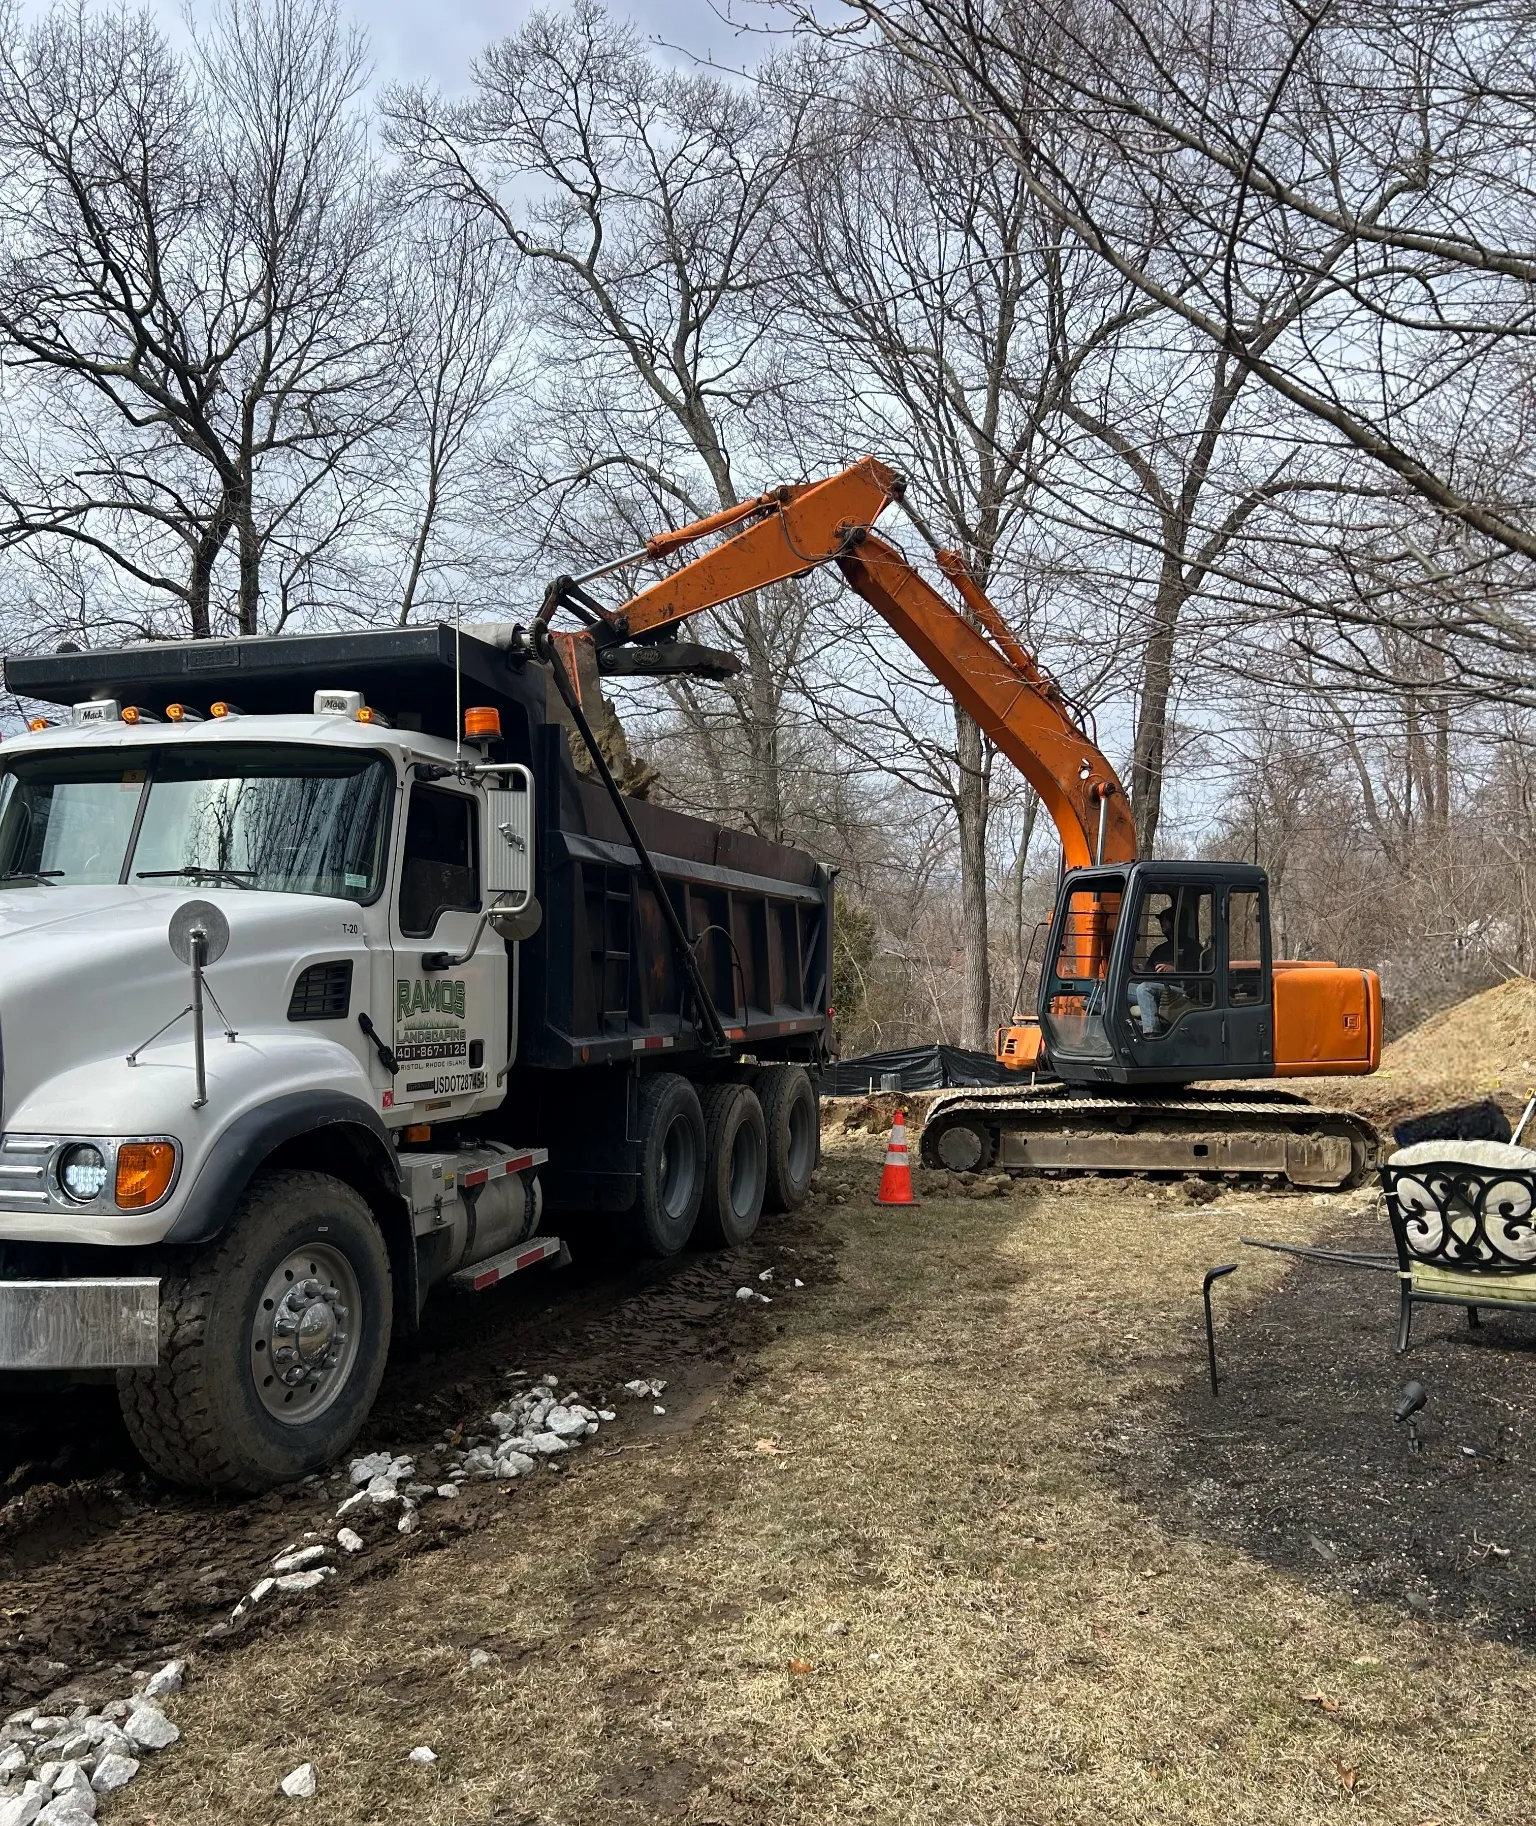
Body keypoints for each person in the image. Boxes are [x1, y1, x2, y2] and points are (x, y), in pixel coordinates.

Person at [1133, 903, 1178, 1037]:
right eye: (1161, 920)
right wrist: (1135, 973)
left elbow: (1197, 971)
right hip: (1157, 987)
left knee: (1144, 989)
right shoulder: (1160, 950)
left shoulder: (1190, 947)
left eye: (1165, 919)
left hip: (1177, 990)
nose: (1162, 923)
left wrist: (1175, 969)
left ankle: (1152, 1034)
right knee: (1112, 989)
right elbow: (1147, 974)